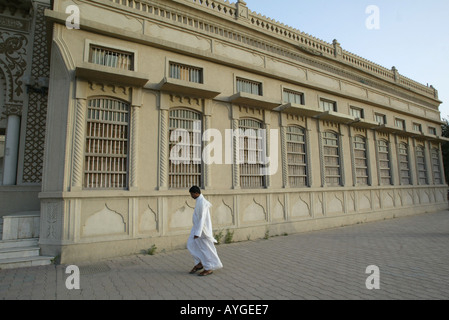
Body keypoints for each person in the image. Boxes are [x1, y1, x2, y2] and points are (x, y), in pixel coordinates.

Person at [187, 186, 223, 276]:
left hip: (202, 231)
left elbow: (202, 219)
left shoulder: (202, 203)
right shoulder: (199, 201)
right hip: (196, 229)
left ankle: (208, 268)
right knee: (191, 244)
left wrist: (198, 233)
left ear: (196, 193)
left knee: (205, 249)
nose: (191, 196)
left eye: (191, 194)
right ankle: (201, 263)